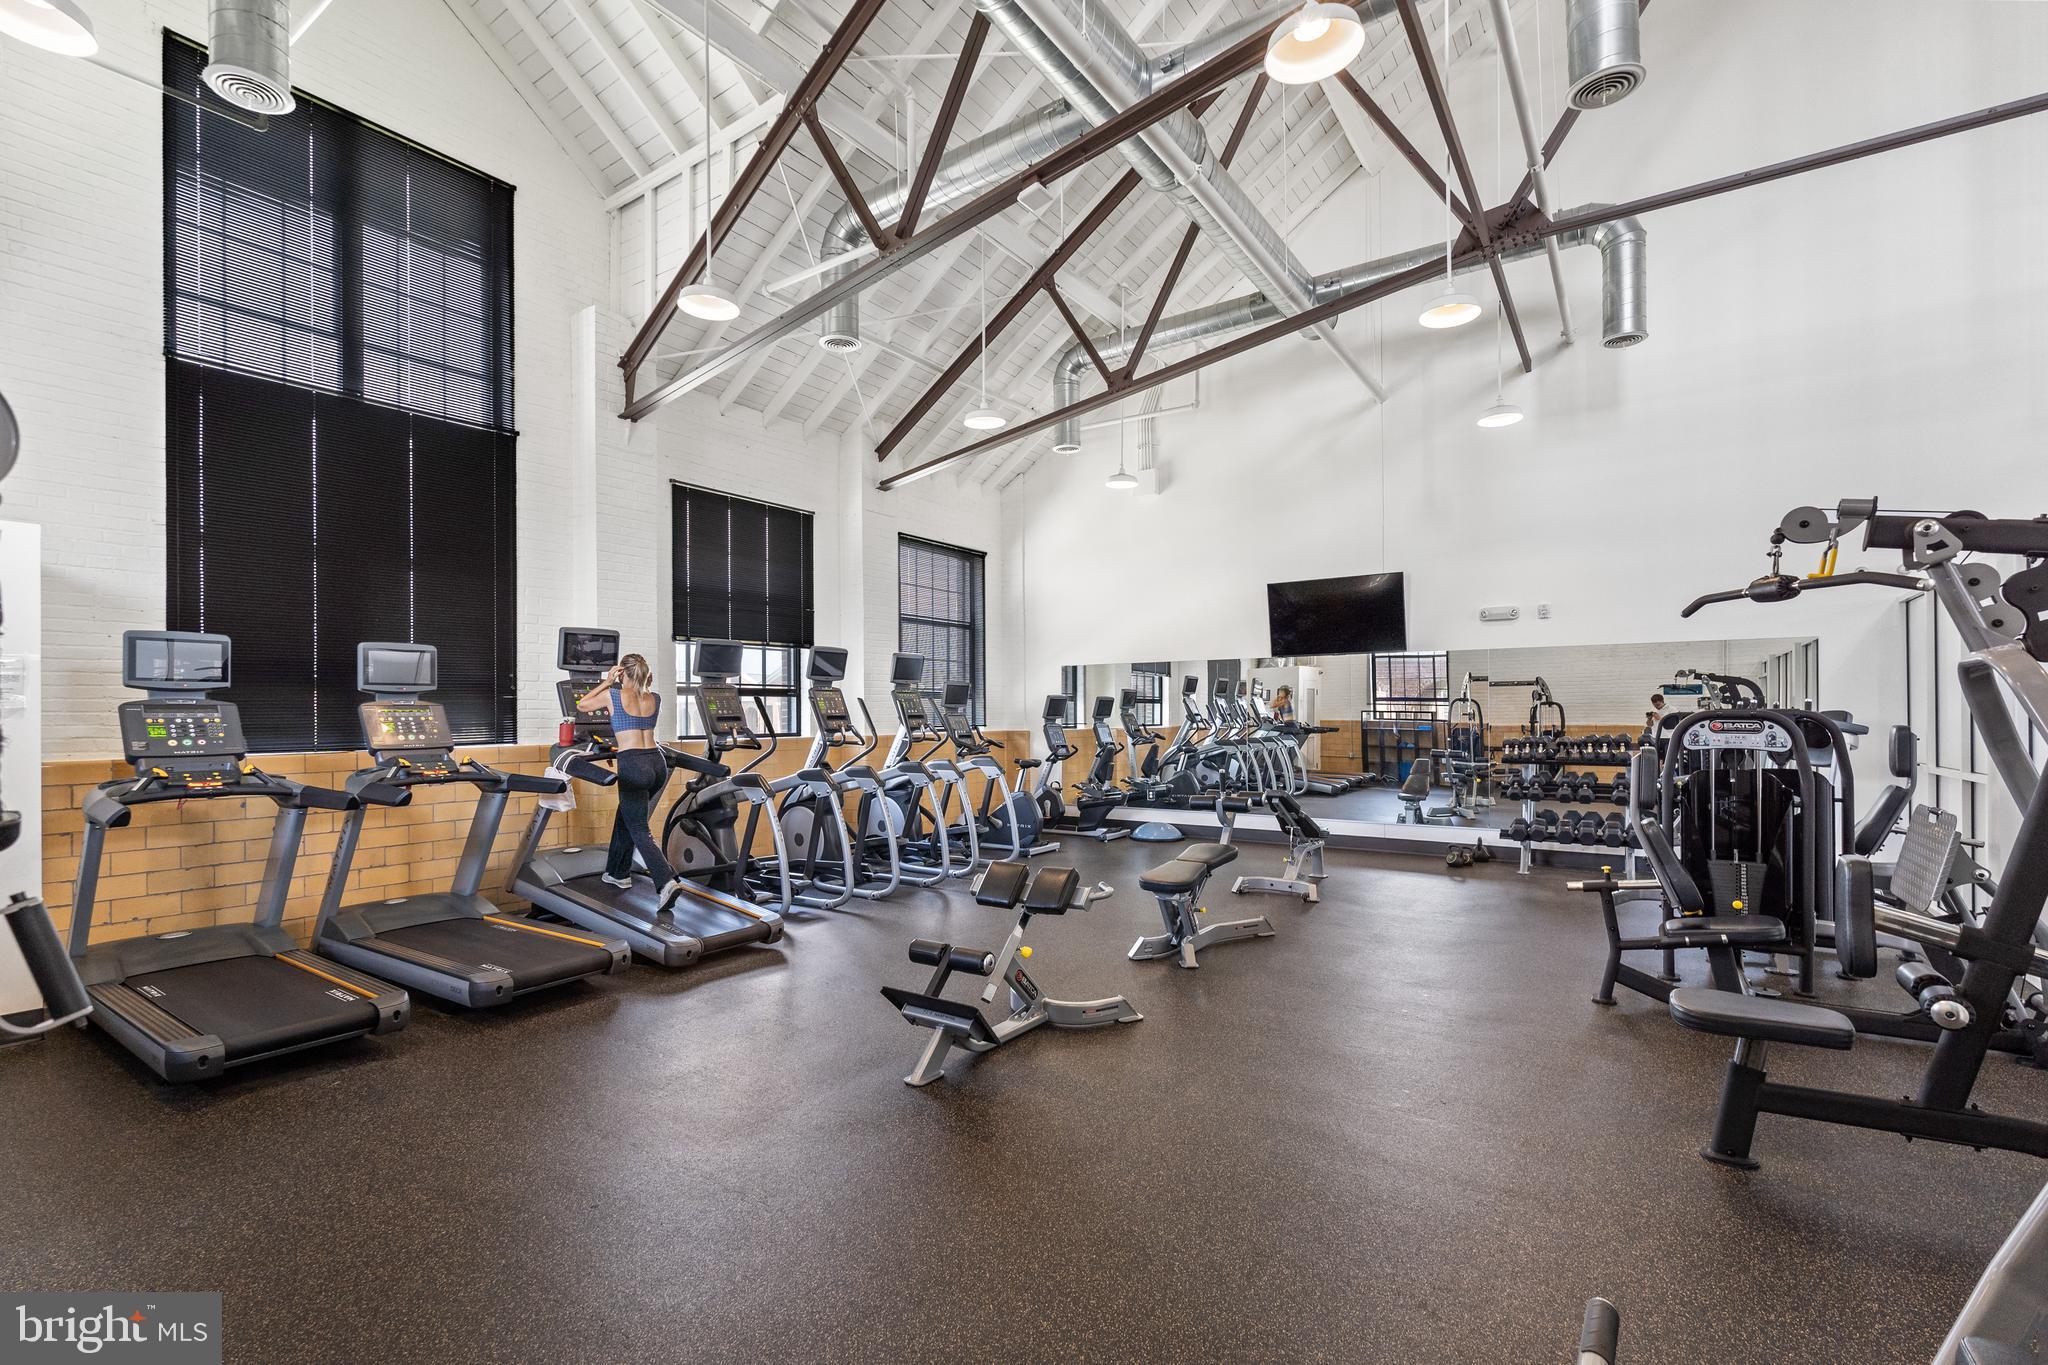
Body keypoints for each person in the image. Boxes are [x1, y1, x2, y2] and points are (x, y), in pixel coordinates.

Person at [576, 652, 682, 908]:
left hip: (633, 764)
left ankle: (666, 881)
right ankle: (618, 873)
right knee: (627, 816)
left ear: (622, 673)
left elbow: (582, 705)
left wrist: (607, 680)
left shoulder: (612, 694)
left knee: (639, 828)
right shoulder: (654, 698)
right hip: (656, 764)